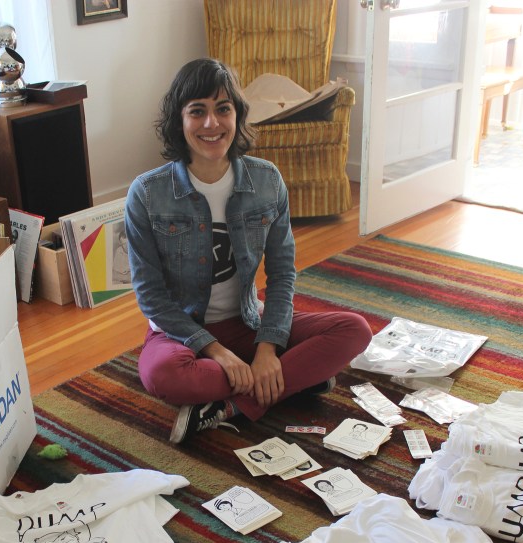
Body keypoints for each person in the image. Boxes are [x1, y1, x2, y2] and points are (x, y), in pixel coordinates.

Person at [125, 58, 372, 443]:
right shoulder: (146, 193)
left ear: (238, 116)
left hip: (248, 323)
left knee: (353, 330)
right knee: (163, 376)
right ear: (179, 121)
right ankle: (292, 380)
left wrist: (268, 348)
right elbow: (151, 297)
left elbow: (283, 273)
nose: (212, 124)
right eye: (197, 111)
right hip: (182, 335)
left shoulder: (266, 181)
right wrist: (218, 353)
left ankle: (234, 407)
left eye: (223, 109)